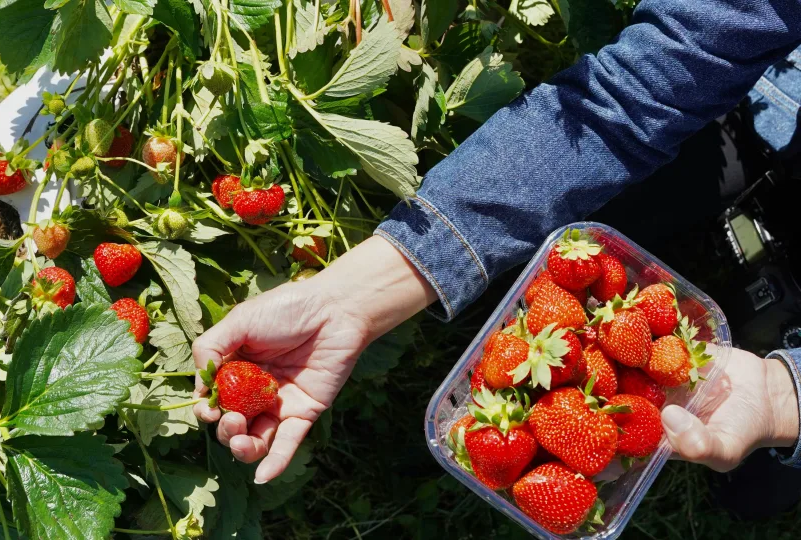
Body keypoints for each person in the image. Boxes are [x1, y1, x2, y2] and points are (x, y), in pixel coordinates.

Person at [193, 0, 801, 485]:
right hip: (766, 101)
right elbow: (635, 92)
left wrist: (785, 393)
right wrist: (353, 296)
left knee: (754, 491)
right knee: (568, 256)